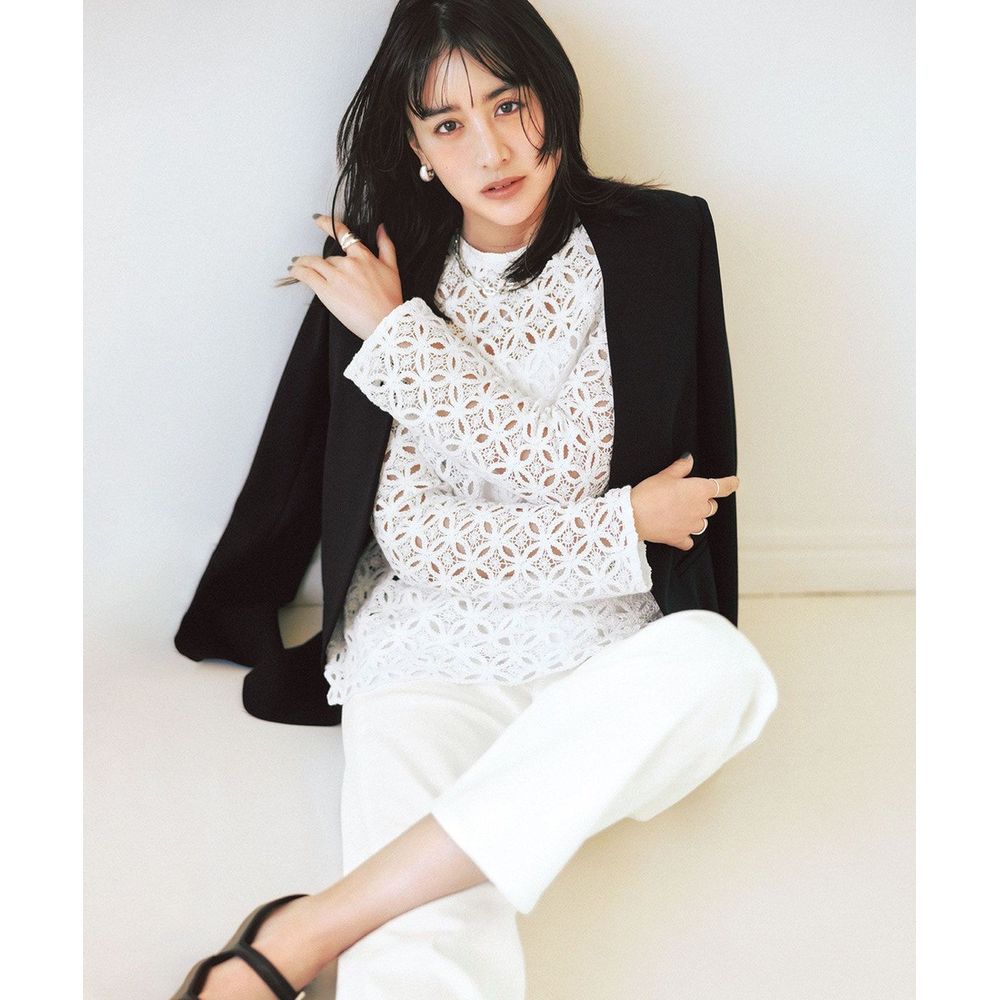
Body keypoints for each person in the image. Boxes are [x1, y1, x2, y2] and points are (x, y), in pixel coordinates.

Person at [171, 1, 779, 997]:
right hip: (429, 645)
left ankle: (305, 928)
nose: (491, 150)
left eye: (508, 103)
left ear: (554, 97)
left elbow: (574, 464)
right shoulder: (387, 277)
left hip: (603, 640)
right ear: (413, 145)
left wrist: (403, 347)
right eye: (448, 123)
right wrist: (625, 523)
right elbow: (416, 537)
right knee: (429, 939)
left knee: (722, 669)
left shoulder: (653, 243)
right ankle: (356, 915)